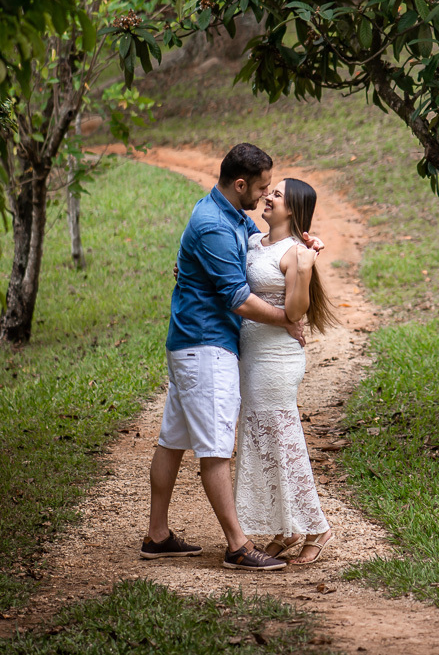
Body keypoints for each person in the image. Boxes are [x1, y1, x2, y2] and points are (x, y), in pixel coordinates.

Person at [140, 143, 318, 571]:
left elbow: (265, 252)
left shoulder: (227, 215)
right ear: (239, 184)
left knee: (173, 440)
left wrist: (304, 244)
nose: (263, 196)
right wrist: (285, 320)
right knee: (216, 449)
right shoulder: (214, 224)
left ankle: (157, 535)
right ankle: (238, 546)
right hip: (206, 345)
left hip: (192, 342)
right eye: (260, 188)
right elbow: (238, 298)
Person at [235, 177, 338, 565]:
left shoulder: (297, 253)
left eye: (276, 194)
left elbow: (295, 313)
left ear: (292, 208)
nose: (267, 197)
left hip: (277, 359)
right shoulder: (252, 242)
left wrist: (308, 265)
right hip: (251, 353)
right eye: (269, 191)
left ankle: (318, 527)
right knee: (261, 441)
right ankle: (288, 528)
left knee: (283, 438)